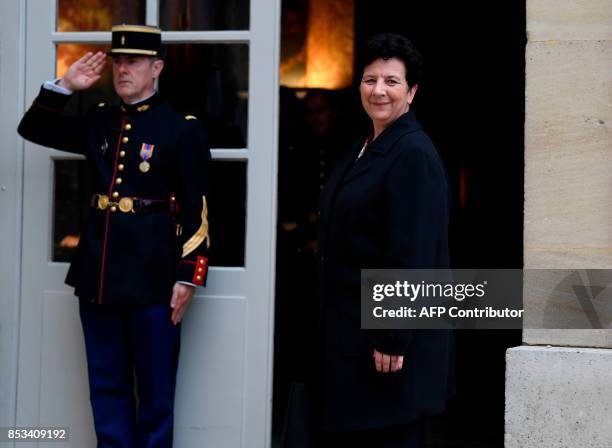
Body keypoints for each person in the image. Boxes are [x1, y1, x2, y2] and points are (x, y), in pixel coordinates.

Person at [18, 24, 211, 447]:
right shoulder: (100, 119)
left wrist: (188, 275)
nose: (123, 69)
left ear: (156, 67)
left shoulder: (181, 128)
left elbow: (198, 207)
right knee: (106, 388)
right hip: (99, 272)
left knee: (156, 393)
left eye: (134, 62)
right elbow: (31, 128)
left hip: (154, 277)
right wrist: (65, 86)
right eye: (118, 61)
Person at [315, 33, 454, 447]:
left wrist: (392, 332)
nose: (378, 90)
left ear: (411, 92)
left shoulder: (412, 153)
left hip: (386, 348)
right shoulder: (368, 145)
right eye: (370, 79)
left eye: (391, 82)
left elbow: (411, 251)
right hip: (351, 338)